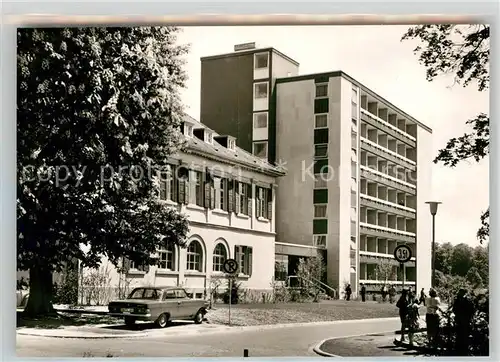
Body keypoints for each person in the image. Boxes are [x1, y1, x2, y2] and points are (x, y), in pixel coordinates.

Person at [452, 288, 475, 356]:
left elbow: (454, 309)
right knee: (464, 334)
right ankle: (463, 348)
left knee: (459, 333)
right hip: (465, 319)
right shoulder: (468, 300)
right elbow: (472, 310)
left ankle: (459, 348)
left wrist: (458, 314)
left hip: (460, 319)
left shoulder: (458, 300)